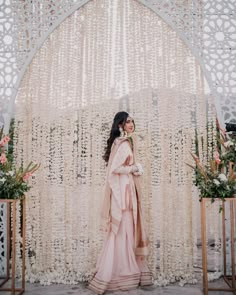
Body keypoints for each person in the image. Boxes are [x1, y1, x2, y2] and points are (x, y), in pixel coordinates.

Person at [88, 111, 152, 294]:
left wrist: (135, 171)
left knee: (124, 231)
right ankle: (122, 273)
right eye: (127, 122)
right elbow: (115, 168)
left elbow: (119, 167)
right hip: (124, 194)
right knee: (123, 231)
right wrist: (134, 168)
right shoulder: (123, 143)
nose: (131, 124)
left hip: (126, 188)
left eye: (132, 121)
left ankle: (120, 270)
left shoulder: (123, 142)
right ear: (120, 125)